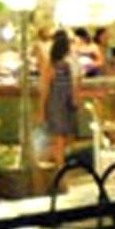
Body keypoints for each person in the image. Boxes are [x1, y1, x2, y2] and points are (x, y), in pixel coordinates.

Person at [39, 29, 79, 166]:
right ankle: (59, 165)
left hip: (57, 103)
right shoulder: (62, 66)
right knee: (60, 136)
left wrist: (42, 108)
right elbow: (48, 88)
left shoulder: (54, 66)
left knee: (59, 137)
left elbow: (45, 88)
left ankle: (57, 163)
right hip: (61, 103)